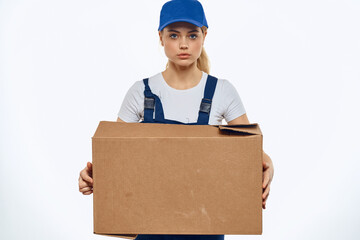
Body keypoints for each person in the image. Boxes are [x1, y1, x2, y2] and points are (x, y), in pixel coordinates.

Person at [78, 0, 274, 239]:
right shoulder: (140, 92)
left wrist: (267, 163)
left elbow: (249, 149)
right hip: (149, 229)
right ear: (160, 37)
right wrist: (92, 178)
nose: (183, 44)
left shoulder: (222, 91)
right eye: (173, 35)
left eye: (192, 36)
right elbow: (114, 158)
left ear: (204, 35)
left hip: (207, 228)